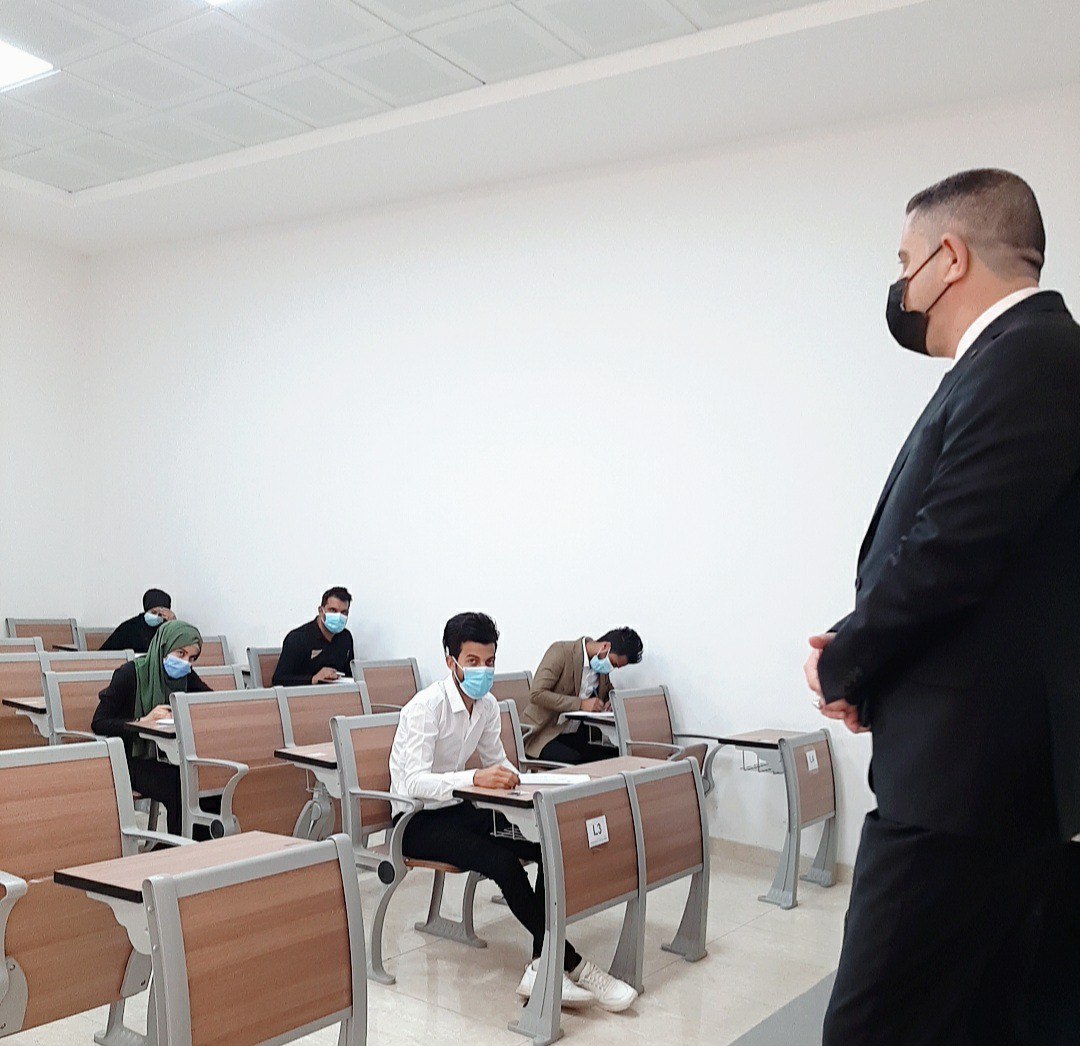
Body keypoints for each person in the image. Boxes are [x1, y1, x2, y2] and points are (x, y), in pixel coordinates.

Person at [802, 169, 1080, 1045]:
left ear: (949, 258)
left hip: (964, 789)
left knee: (876, 1025)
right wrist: (867, 660)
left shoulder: (1032, 355)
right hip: (979, 775)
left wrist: (846, 662)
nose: (901, 283)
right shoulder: (1020, 360)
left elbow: (950, 551)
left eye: (905, 261)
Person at [389, 612, 638, 1012]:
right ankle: (574, 965)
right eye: (472, 661)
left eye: (489, 661)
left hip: (459, 806)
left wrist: (530, 784)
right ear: (451, 661)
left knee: (547, 848)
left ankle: (542, 966)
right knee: (503, 863)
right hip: (415, 821)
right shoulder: (425, 708)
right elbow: (412, 782)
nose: (483, 670)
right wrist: (475, 777)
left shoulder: (486, 705)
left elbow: (499, 762)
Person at [92, 619, 211, 837]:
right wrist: (142, 721)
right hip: (130, 758)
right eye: (180, 653)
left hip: (168, 757)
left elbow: (209, 703)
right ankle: (179, 848)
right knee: (180, 786)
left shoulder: (186, 675)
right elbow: (99, 722)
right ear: (163, 647)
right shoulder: (130, 674)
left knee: (208, 784)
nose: (185, 663)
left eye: (192, 658)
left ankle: (202, 847)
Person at [521, 628, 643, 763]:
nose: (612, 668)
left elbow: (608, 691)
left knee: (616, 757)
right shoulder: (561, 652)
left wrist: (610, 702)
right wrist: (580, 704)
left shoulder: (601, 667)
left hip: (576, 734)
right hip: (542, 734)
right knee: (580, 762)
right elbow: (537, 694)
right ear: (605, 647)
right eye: (613, 663)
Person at [272, 586, 355, 687]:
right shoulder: (297, 639)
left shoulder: (346, 637)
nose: (338, 616)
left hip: (337, 694)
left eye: (343, 612)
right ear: (321, 611)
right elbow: (279, 680)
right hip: (303, 695)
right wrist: (313, 679)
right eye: (333, 610)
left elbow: (350, 675)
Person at [99, 588, 175, 653]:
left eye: (161, 614)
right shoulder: (129, 627)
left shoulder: (167, 627)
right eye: (154, 612)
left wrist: (173, 624)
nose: (157, 616)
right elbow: (105, 654)